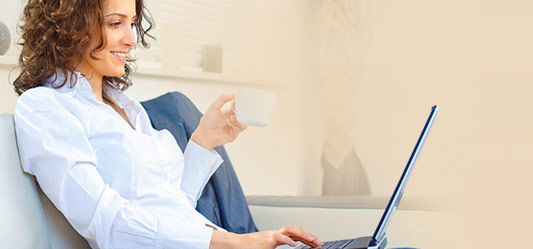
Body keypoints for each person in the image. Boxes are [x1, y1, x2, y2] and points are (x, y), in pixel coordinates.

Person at [12, 0, 323, 248]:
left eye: (132, 23)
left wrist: (203, 140)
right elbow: (109, 223)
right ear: (69, 27)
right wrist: (236, 242)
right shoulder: (44, 107)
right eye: (115, 23)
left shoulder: (126, 105)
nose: (132, 39)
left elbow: (172, 205)